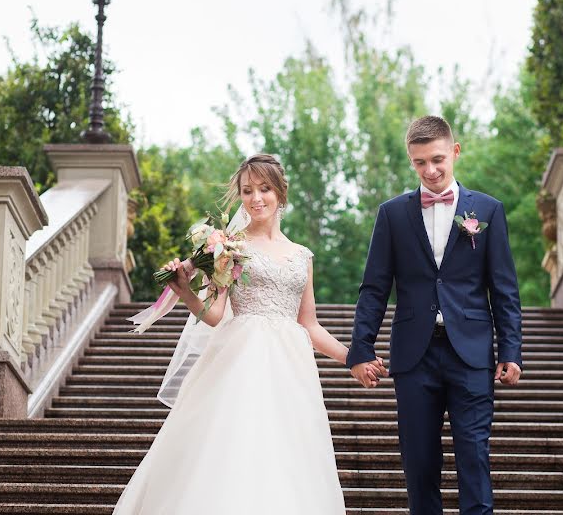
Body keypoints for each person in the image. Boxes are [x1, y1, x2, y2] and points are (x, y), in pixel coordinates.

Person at [112, 153, 385, 514]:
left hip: (292, 369)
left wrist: (354, 358)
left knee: (287, 457)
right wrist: (185, 291)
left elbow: (310, 324)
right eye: (247, 190)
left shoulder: (302, 255)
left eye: (264, 189)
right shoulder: (230, 247)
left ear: (280, 193)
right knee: (234, 450)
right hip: (240, 360)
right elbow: (214, 315)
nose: (256, 198)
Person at [347, 115, 523, 515]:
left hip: (473, 354)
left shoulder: (489, 211)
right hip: (414, 357)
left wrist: (510, 351)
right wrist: (360, 349)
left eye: (438, 159)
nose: (430, 170)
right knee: (419, 464)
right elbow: (375, 288)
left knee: (474, 459)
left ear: (455, 152)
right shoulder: (391, 214)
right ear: (411, 161)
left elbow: (505, 289)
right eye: (420, 162)